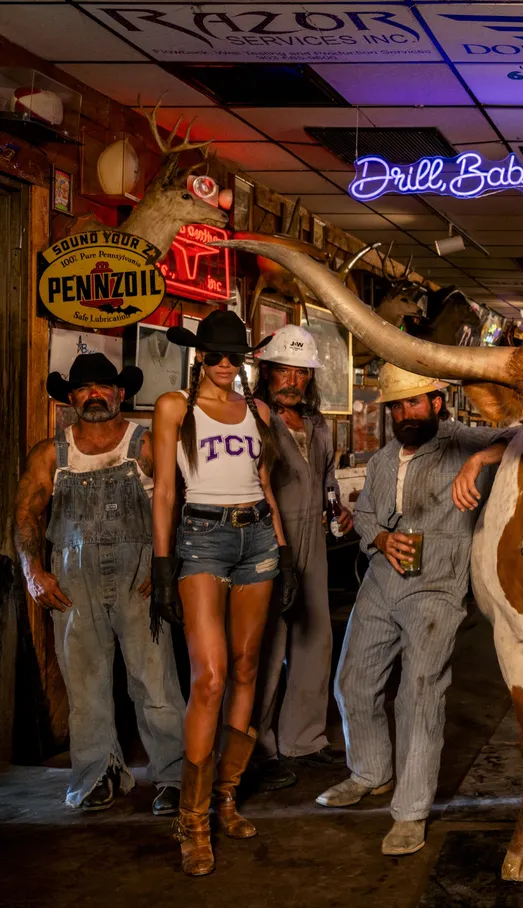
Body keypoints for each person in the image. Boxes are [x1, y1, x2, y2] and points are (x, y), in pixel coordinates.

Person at [317, 364, 509, 856]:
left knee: (419, 694)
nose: (406, 413)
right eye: (397, 406)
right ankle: (370, 771)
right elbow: (363, 517)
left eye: (415, 403)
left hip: (438, 586)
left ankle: (410, 812)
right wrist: (379, 535)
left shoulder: (463, 442)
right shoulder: (383, 460)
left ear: (437, 402)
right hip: (382, 579)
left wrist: (477, 463)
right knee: (353, 681)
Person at [150, 311, 292, 876]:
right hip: (202, 539)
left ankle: (227, 795)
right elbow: (164, 490)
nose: (227, 367)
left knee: (245, 666)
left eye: (236, 357)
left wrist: (283, 548)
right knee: (206, 676)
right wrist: (164, 564)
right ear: (199, 356)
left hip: (256, 535)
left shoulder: (257, 412)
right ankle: (193, 817)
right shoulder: (174, 408)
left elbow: (265, 485)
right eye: (217, 356)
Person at [15, 354, 185, 815]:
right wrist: (33, 571)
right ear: (70, 398)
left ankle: (173, 775)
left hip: (140, 578)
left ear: (120, 394)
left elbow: (178, 504)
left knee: (155, 683)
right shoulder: (51, 453)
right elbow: (27, 514)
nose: (94, 395)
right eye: (83, 388)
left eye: (103, 387)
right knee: (85, 684)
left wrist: (166, 564)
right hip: (72, 581)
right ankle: (97, 775)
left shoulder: (145, 444)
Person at [249, 325, 353, 791]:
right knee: (268, 647)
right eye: (283, 370)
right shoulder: (253, 419)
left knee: (315, 642)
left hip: (315, 537)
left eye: (301, 372)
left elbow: (327, 480)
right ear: (265, 372)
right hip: (269, 542)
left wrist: (340, 509)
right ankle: (257, 746)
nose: (292, 380)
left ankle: (303, 740)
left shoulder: (317, 425)